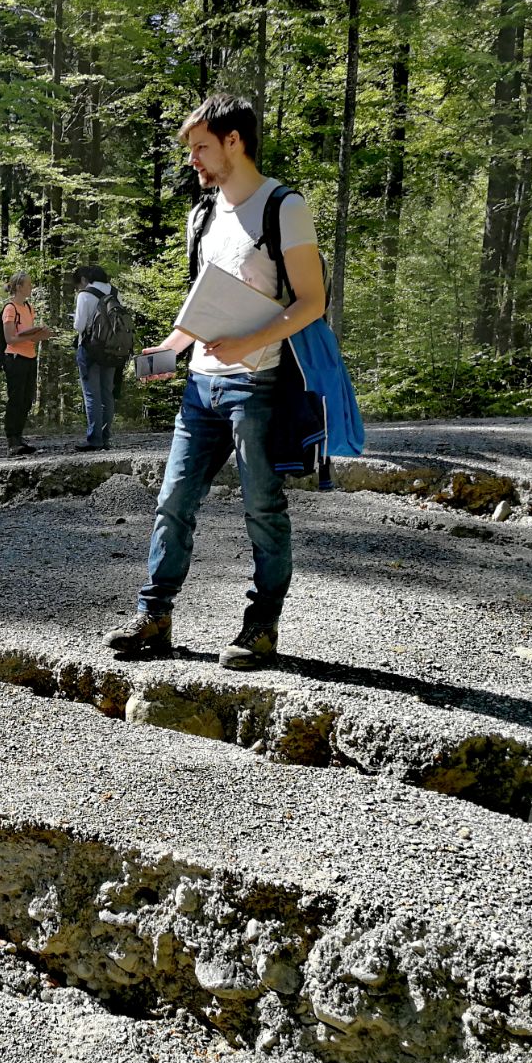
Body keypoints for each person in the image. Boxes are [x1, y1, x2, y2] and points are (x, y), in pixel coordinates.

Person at [106, 93, 326, 669]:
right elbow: (203, 302)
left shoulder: (284, 207)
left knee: (262, 506)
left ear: (235, 141)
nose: (193, 160)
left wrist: (249, 343)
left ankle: (261, 628)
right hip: (201, 386)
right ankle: (154, 618)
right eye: (190, 149)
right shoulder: (201, 215)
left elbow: (311, 301)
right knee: (173, 500)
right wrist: (169, 350)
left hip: (258, 383)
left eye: (201, 147)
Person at [0, 272, 53, 456]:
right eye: (28, 285)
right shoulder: (10, 308)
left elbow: (29, 337)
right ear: (19, 287)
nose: (31, 287)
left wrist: (41, 334)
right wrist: (32, 335)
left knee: (26, 399)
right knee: (16, 399)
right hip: (15, 358)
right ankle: (12, 440)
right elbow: (10, 338)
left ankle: (19, 437)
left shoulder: (29, 308)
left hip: (30, 357)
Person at [72, 264, 119, 451]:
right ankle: (106, 438)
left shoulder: (84, 295)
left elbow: (79, 326)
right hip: (112, 349)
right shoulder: (115, 293)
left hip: (90, 349)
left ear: (85, 279)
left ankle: (94, 439)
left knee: (92, 394)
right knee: (107, 393)